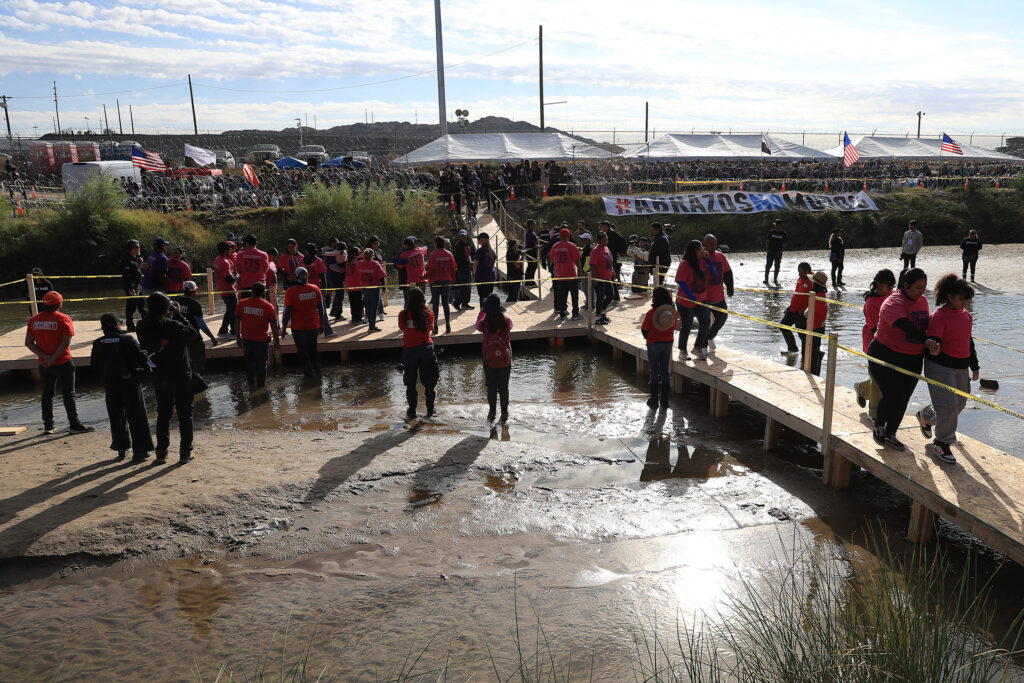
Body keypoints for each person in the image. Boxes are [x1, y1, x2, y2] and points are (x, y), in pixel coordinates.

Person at [916, 275, 979, 464]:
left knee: (959, 404)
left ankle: (926, 416)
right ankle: (942, 443)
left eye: (967, 300)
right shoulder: (939, 316)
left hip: (961, 366)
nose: (965, 303)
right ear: (950, 296)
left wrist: (974, 366)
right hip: (940, 365)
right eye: (962, 299)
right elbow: (934, 339)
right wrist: (934, 346)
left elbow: (969, 342)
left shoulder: (966, 315)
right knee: (948, 405)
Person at [868, 267, 931, 451]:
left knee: (903, 398)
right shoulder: (892, 302)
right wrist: (925, 340)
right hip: (885, 353)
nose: (922, 291)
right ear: (906, 285)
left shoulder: (923, 301)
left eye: (924, 287)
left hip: (912, 357)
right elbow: (905, 326)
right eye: (918, 287)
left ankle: (891, 433)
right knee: (891, 393)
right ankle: (879, 425)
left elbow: (927, 325)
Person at [137, 293, 199, 464]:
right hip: (181, 373)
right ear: (166, 308)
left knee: (163, 413)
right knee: (185, 414)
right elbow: (193, 334)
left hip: (160, 374)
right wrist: (178, 314)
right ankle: (185, 452)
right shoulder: (173, 324)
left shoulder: (142, 325)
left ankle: (161, 452)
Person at [24, 291, 93, 435]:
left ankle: (48, 426)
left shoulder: (33, 320)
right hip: (63, 362)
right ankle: (74, 424)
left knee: (47, 394)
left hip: (44, 365)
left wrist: (45, 357)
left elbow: (29, 343)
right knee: (69, 394)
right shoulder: (64, 319)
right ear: (60, 304)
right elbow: (66, 342)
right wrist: (54, 358)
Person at [90, 312, 154, 463]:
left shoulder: (98, 343)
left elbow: (94, 365)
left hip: (110, 384)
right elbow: (142, 358)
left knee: (116, 417)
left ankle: (121, 448)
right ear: (118, 325)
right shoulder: (127, 339)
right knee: (136, 416)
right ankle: (141, 451)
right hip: (129, 382)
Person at [854, 269, 896, 419]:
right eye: (887, 286)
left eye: (892, 287)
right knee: (878, 379)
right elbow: (875, 328)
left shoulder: (890, 295)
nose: (890, 290)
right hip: (874, 341)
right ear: (878, 284)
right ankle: (874, 415)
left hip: (890, 341)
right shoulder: (871, 303)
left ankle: (862, 388)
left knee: (884, 377)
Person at [399, 288, 439, 419]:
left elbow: (402, 328)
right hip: (425, 350)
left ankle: (412, 411)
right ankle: (430, 410)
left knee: (410, 383)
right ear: (423, 300)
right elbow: (431, 329)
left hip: (409, 351)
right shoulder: (428, 314)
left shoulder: (403, 315)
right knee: (429, 383)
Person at [282, 266, 327, 376]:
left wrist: (283, 328)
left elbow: (287, 312)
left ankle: (308, 375)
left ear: (296, 277)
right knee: (313, 349)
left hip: (298, 327)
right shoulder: (315, 289)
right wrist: (321, 324)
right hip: (313, 325)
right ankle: (318, 371)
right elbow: (322, 310)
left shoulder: (290, 291)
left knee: (302, 350)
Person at [475, 292, 513, 423]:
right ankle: (504, 413)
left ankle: (492, 412)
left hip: (488, 355)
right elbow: (511, 326)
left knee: (491, 386)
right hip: (505, 356)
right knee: (504, 386)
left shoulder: (484, 323)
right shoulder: (507, 321)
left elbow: (476, 326)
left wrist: (482, 311)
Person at [235, 282, 280, 388]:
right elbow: (273, 326)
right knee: (261, 363)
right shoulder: (268, 306)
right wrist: (277, 341)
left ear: (251, 291)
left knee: (249, 362)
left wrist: (238, 337)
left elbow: (236, 322)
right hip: (262, 340)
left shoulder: (241, 303)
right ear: (263, 292)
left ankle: (251, 384)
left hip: (247, 338)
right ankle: (261, 387)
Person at [640, 287, 678, 408]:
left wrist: (649, 337)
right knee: (665, 370)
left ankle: (654, 400)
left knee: (654, 371)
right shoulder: (673, 313)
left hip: (653, 343)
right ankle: (664, 400)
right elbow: (673, 327)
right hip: (668, 343)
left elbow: (644, 330)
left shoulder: (651, 313)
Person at [674, 239, 711, 361]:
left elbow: (714, 274)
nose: (703, 250)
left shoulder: (702, 262)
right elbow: (681, 282)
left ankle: (697, 347)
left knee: (706, 323)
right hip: (685, 301)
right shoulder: (685, 263)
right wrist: (691, 296)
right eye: (701, 248)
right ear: (696, 250)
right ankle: (682, 351)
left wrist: (708, 260)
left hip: (701, 300)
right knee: (687, 325)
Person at [177, 280, 219, 373]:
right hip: (193, 338)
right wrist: (212, 338)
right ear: (194, 292)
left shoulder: (177, 302)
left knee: (185, 363)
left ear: (183, 290)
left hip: (179, 337)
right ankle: (198, 381)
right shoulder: (195, 305)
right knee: (199, 363)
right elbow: (201, 324)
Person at [702, 234, 733, 351]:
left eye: (715, 244)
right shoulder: (700, 257)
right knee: (704, 323)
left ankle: (710, 337)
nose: (713, 246)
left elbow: (728, 273)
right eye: (711, 244)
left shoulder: (721, 256)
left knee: (722, 318)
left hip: (719, 296)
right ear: (704, 244)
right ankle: (703, 345)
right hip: (704, 297)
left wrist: (730, 288)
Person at [779, 262, 813, 356]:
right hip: (792, 310)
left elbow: (815, 300)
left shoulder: (813, 282)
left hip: (801, 313)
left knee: (802, 335)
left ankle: (805, 357)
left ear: (807, 271)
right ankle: (793, 349)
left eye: (801, 272)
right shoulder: (800, 278)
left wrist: (804, 310)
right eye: (798, 272)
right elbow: (797, 294)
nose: (799, 274)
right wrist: (790, 307)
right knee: (783, 326)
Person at [549, 228, 582, 321]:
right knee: (574, 296)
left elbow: (550, 258)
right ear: (568, 236)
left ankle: (562, 313)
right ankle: (575, 314)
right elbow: (577, 260)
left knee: (562, 296)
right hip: (571, 275)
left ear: (560, 236)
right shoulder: (571, 246)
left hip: (560, 276)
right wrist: (580, 271)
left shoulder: (555, 246)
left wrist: (552, 264)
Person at [426, 236, 454, 334]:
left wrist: (424, 277)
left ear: (436, 244)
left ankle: (436, 326)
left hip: (435, 281)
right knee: (446, 303)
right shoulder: (449, 254)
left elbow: (431, 269)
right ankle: (447, 325)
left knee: (436, 304)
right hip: (446, 281)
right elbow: (453, 268)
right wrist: (452, 280)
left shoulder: (433, 254)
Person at [355, 249, 387, 332]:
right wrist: (384, 287)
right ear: (372, 256)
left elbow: (357, 259)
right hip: (374, 288)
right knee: (373, 307)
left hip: (364, 287)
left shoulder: (359, 263)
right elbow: (381, 276)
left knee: (368, 305)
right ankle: (372, 326)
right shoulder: (375, 264)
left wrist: (361, 256)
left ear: (364, 255)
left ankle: (370, 323)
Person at [805, 272, 829, 375]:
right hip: (820, 326)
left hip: (814, 327)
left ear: (816, 285)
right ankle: (816, 369)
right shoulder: (823, 295)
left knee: (813, 351)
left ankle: (814, 372)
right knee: (815, 348)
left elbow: (807, 314)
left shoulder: (815, 297)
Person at [213, 241, 238, 339]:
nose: (231, 251)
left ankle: (223, 330)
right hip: (228, 289)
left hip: (222, 289)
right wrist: (238, 277)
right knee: (233, 311)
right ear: (224, 251)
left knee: (230, 310)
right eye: (229, 249)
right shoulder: (224, 262)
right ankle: (233, 332)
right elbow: (229, 279)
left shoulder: (218, 259)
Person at [589, 232, 615, 325]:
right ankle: (598, 317)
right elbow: (592, 266)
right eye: (604, 240)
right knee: (600, 298)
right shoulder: (595, 251)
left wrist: (612, 272)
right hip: (599, 278)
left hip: (607, 277)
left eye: (607, 240)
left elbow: (610, 261)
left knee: (611, 295)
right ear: (598, 241)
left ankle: (603, 312)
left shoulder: (606, 248)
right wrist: (595, 279)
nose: (606, 242)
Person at [120, 239, 146, 332]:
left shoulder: (134, 258)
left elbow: (135, 270)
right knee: (131, 307)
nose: (139, 248)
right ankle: (130, 326)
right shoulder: (126, 259)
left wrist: (138, 262)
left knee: (142, 305)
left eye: (139, 246)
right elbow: (126, 275)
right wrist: (130, 289)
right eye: (137, 247)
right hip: (132, 286)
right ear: (131, 248)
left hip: (138, 285)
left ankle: (147, 323)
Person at [394, 237, 428, 305]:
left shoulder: (404, 254)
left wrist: (405, 260)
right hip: (421, 279)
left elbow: (396, 264)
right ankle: (420, 315)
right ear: (414, 244)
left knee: (410, 302)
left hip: (411, 281)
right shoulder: (421, 250)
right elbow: (425, 248)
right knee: (421, 301)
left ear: (406, 245)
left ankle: (409, 315)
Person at [452, 229, 476, 310]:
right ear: (459, 236)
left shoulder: (468, 244)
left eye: (464, 235)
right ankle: (457, 302)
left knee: (468, 286)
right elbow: (455, 258)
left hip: (468, 267)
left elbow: (472, 254)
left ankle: (465, 303)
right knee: (464, 287)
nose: (463, 237)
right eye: (462, 235)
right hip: (462, 269)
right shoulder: (457, 246)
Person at [474, 232, 497, 302]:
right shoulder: (493, 252)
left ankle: (482, 312)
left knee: (482, 297)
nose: (478, 240)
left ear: (483, 240)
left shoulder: (480, 251)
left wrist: (475, 274)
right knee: (489, 297)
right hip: (491, 276)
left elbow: (475, 264)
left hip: (481, 277)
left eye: (479, 239)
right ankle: (488, 312)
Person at [764, 219, 788, 286]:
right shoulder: (771, 232)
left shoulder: (783, 234)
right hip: (770, 252)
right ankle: (766, 279)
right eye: (776, 225)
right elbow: (767, 241)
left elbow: (785, 243)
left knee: (777, 266)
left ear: (781, 225)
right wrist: (767, 249)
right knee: (768, 265)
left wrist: (782, 250)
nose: (777, 226)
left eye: (779, 225)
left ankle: (775, 279)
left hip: (778, 253)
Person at [345, 247, 364, 324]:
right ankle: (358, 318)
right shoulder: (357, 260)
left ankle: (354, 318)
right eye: (359, 252)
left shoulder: (347, 261)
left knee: (353, 303)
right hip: (357, 284)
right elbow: (364, 255)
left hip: (349, 284)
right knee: (358, 303)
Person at [648, 223, 671, 288]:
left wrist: (651, 251)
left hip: (661, 264)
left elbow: (661, 251)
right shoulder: (657, 238)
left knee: (659, 282)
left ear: (657, 230)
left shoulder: (662, 238)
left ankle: (659, 295)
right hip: (656, 264)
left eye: (652, 230)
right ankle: (656, 295)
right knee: (656, 282)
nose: (651, 231)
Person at [524, 219, 539, 287]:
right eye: (534, 224)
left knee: (532, 266)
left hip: (532, 250)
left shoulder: (532, 232)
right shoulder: (530, 233)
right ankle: (529, 282)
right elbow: (532, 243)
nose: (535, 225)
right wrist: (539, 246)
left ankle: (530, 280)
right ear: (530, 225)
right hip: (531, 251)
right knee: (532, 266)